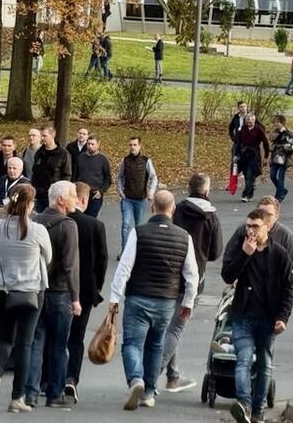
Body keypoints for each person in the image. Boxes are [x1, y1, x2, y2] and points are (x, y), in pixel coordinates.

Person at [109, 190, 200, 410]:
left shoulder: (139, 233)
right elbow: (191, 275)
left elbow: (125, 268)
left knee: (132, 343)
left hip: (138, 297)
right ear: (173, 209)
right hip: (166, 301)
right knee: (155, 345)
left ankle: (135, 379)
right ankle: (149, 392)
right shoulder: (184, 237)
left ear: (152, 207)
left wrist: (115, 297)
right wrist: (187, 303)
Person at [221, 208, 293, 423]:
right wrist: (245, 254)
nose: (250, 231)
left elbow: (289, 289)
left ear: (267, 227)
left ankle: (258, 409)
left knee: (264, 362)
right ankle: (243, 403)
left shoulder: (280, 254)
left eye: (255, 226)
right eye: (248, 226)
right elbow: (228, 276)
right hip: (243, 314)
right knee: (243, 359)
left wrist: (283, 317)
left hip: (268, 317)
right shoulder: (241, 246)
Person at [0, 183, 52, 412]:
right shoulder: (37, 230)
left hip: (4, 289)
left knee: (5, 337)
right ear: (30, 204)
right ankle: (17, 397)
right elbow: (48, 256)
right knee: (25, 343)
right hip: (31, 291)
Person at [24, 180, 81, 409]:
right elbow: (70, 265)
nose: (76, 199)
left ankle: (30, 392)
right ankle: (55, 393)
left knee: (35, 342)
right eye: (73, 195)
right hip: (59, 293)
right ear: (60, 200)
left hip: (37, 290)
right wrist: (76, 298)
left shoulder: (35, 221)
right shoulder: (68, 225)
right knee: (58, 345)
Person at [164, 174, 223, 393]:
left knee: (169, 326)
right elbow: (216, 252)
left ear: (189, 189)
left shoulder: (177, 210)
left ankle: (173, 375)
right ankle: (149, 375)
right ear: (207, 191)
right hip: (195, 275)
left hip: (169, 271)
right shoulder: (211, 218)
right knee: (176, 328)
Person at [64, 182, 108, 403]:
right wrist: (97, 286)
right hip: (86, 287)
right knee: (77, 336)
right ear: (84, 200)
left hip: (60, 286)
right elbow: (102, 260)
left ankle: (49, 378)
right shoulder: (95, 225)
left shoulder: (60, 222)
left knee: (56, 334)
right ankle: (72, 377)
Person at [117, 136, 159, 251]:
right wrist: (120, 191)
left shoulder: (146, 160)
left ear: (140, 146)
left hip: (140, 199)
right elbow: (119, 177)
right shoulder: (125, 160)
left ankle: (138, 251)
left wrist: (151, 192)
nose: (132, 147)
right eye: (130, 145)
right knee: (125, 224)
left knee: (139, 227)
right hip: (127, 199)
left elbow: (154, 177)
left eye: (135, 145)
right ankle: (124, 250)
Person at [30, 127, 71, 213]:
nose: (42, 138)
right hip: (39, 194)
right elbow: (35, 172)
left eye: (44, 136)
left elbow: (67, 175)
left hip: (54, 195)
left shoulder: (63, 154)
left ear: (52, 136)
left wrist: (61, 192)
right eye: (41, 136)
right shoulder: (39, 153)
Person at [73, 135, 112, 217]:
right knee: (78, 218)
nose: (90, 146)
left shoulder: (103, 160)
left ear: (98, 145)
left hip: (94, 196)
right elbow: (74, 175)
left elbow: (108, 179)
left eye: (92, 144)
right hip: (80, 194)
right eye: (88, 144)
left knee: (91, 220)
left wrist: (101, 191)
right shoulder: (80, 157)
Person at [235, 114, 270, 203]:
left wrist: (266, 157)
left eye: (250, 122)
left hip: (254, 154)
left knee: (250, 175)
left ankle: (245, 194)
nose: (248, 123)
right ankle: (251, 192)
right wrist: (236, 155)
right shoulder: (243, 129)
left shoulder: (259, 130)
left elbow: (266, 144)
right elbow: (238, 142)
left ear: (254, 121)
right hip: (243, 154)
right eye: (247, 122)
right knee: (247, 175)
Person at [269, 116, 293, 202]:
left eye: (278, 122)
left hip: (284, 157)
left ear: (282, 123)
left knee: (280, 176)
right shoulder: (275, 132)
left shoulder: (289, 132)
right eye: (275, 122)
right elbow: (271, 139)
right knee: (272, 175)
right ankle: (283, 190)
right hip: (275, 156)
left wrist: (289, 146)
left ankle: (278, 196)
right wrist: (279, 134)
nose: (276, 124)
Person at [228, 101, 247, 167]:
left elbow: (261, 127)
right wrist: (233, 138)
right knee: (234, 164)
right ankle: (233, 177)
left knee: (246, 165)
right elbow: (230, 128)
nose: (243, 108)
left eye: (244, 106)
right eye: (241, 107)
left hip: (248, 145)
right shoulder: (236, 117)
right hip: (237, 144)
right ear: (238, 108)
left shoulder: (251, 117)